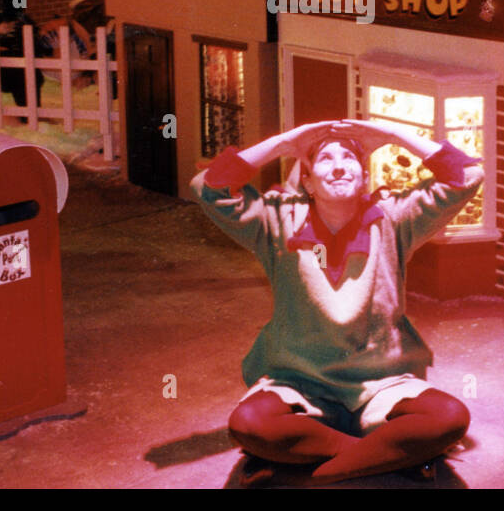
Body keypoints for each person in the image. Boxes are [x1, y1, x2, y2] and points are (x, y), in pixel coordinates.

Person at [189, 117, 485, 486]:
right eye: (325, 159)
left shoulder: (393, 218)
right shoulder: (277, 219)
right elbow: (210, 187)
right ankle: (390, 457)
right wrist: (285, 141)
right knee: (247, 424)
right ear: (308, 182)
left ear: (363, 179)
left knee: (450, 416)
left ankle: (316, 472)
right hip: (297, 380)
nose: (340, 165)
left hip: (383, 381)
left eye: (350, 159)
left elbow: (467, 175)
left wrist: (393, 135)